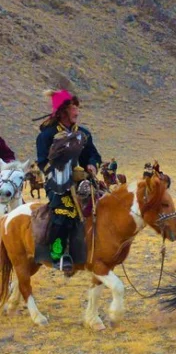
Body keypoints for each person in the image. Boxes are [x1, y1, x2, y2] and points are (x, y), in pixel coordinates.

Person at [35, 88, 102, 271]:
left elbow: (93, 155)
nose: (77, 112)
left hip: (83, 182)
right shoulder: (46, 135)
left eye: (77, 107)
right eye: (73, 107)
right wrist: (66, 175)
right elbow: (42, 162)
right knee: (65, 212)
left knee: (103, 204)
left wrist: (91, 166)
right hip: (56, 184)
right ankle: (58, 254)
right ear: (62, 111)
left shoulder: (83, 133)